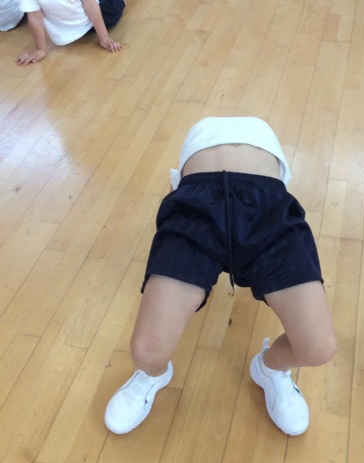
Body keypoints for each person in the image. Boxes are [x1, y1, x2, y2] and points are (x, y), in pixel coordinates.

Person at [104, 116, 336, 437]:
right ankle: (152, 374)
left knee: (318, 348)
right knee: (146, 352)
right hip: (198, 201)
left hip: (266, 205)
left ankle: (270, 369)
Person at [16, 0, 125, 65]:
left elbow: (90, 5)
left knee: (117, 5)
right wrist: (40, 49)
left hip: (99, 14)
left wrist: (104, 37)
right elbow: (35, 16)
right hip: (74, 29)